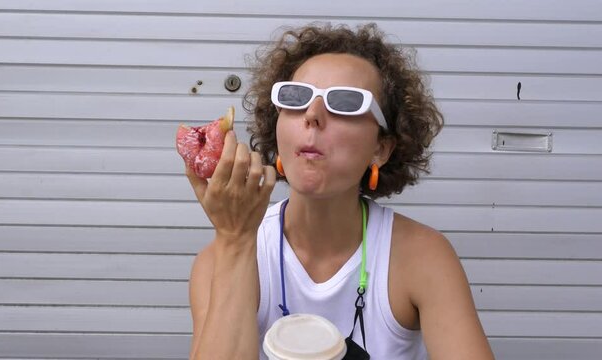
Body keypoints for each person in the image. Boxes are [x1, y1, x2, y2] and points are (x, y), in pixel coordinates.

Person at [186, 23, 495, 359]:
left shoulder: (423, 257)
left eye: (346, 103)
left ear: (381, 148)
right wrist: (234, 241)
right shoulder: (220, 258)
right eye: (295, 97)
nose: (312, 115)